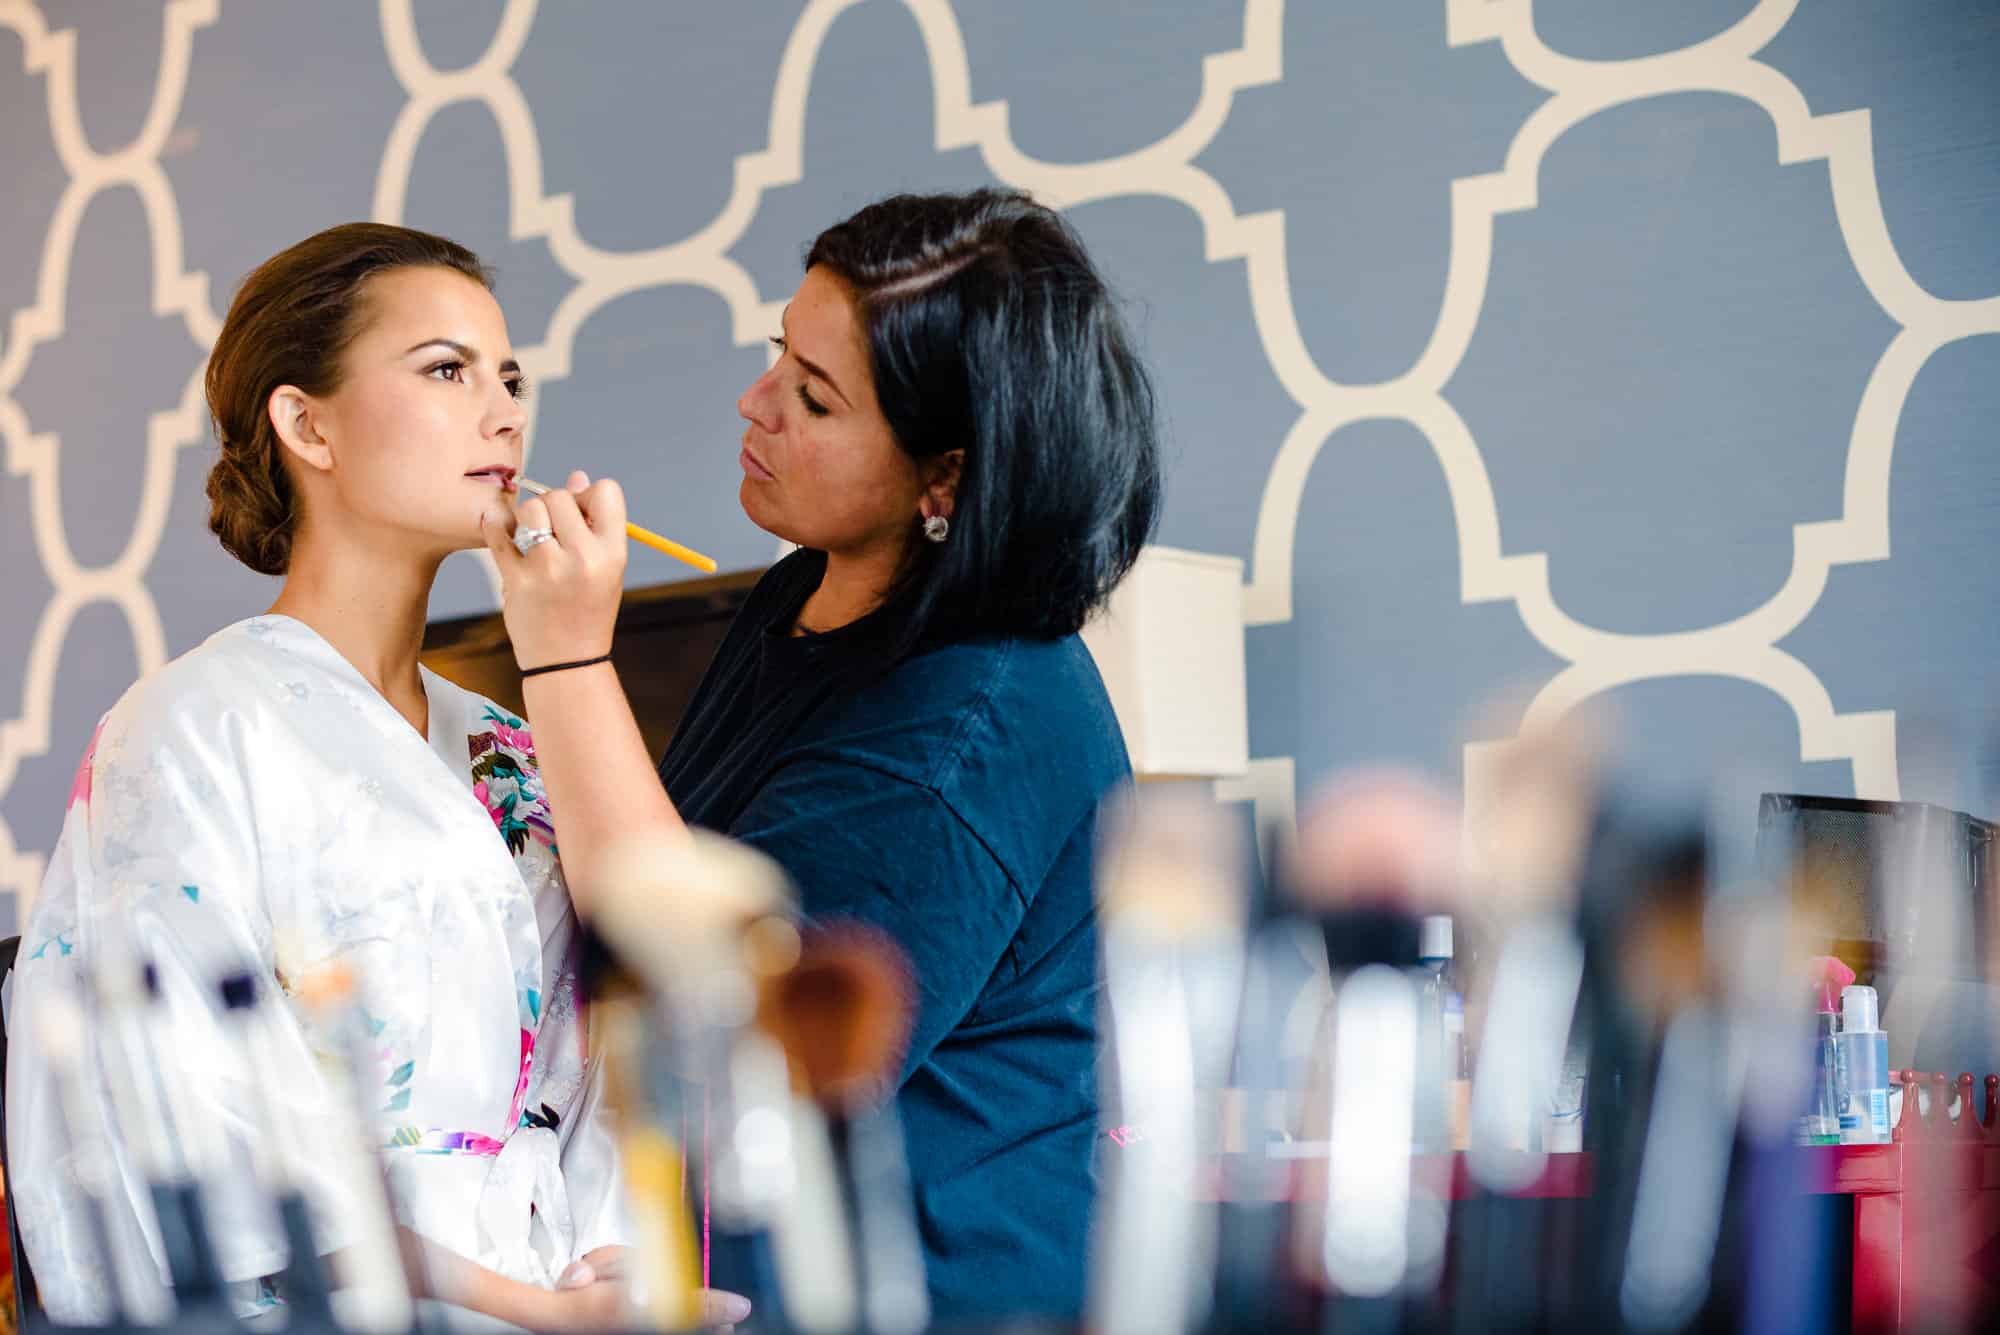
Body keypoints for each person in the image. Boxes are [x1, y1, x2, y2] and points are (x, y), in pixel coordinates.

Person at [4, 223, 751, 1330]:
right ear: (306, 423)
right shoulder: (191, 729)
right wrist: (522, 1309)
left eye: (509, 378)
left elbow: (634, 1021)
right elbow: (183, 1124)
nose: (503, 412)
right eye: (445, 371)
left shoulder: (513, 741)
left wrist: (601, 1260)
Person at [479, 188, 1162, 1320]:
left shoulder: (964, 731)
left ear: (943, 476)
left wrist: (561, 657)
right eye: (774, 355)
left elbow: (713, 1029)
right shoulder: (815, 591)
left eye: (813, 396)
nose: (754, 404)